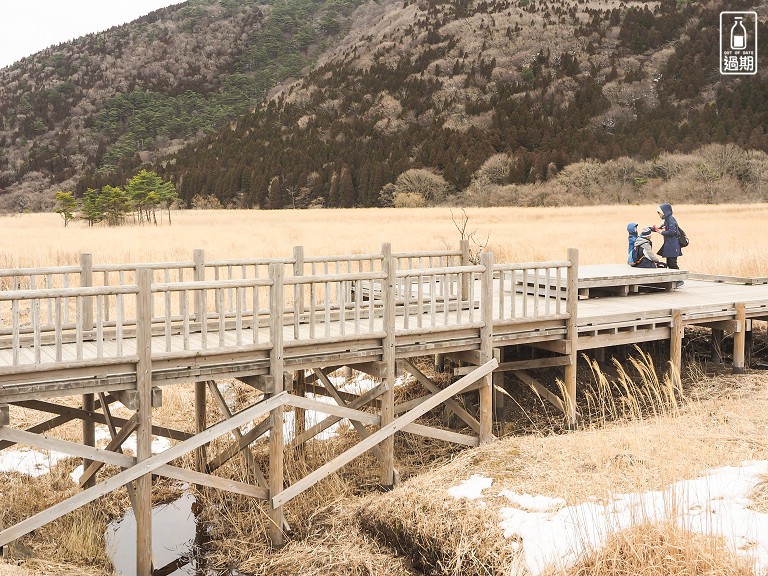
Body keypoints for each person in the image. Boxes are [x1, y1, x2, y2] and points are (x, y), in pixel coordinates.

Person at [656, 203, 684, 286]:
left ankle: (679, 280)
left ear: (665, 212)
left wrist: (662, 232)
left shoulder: (671, 219)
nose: (659, 215)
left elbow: (672, 232)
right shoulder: (667, 220)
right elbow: (663, 228)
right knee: (669, 263)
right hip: (669, 245)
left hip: (673, 245)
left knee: (673, 263)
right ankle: (674, 280)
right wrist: (655, 229)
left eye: (660, 213)